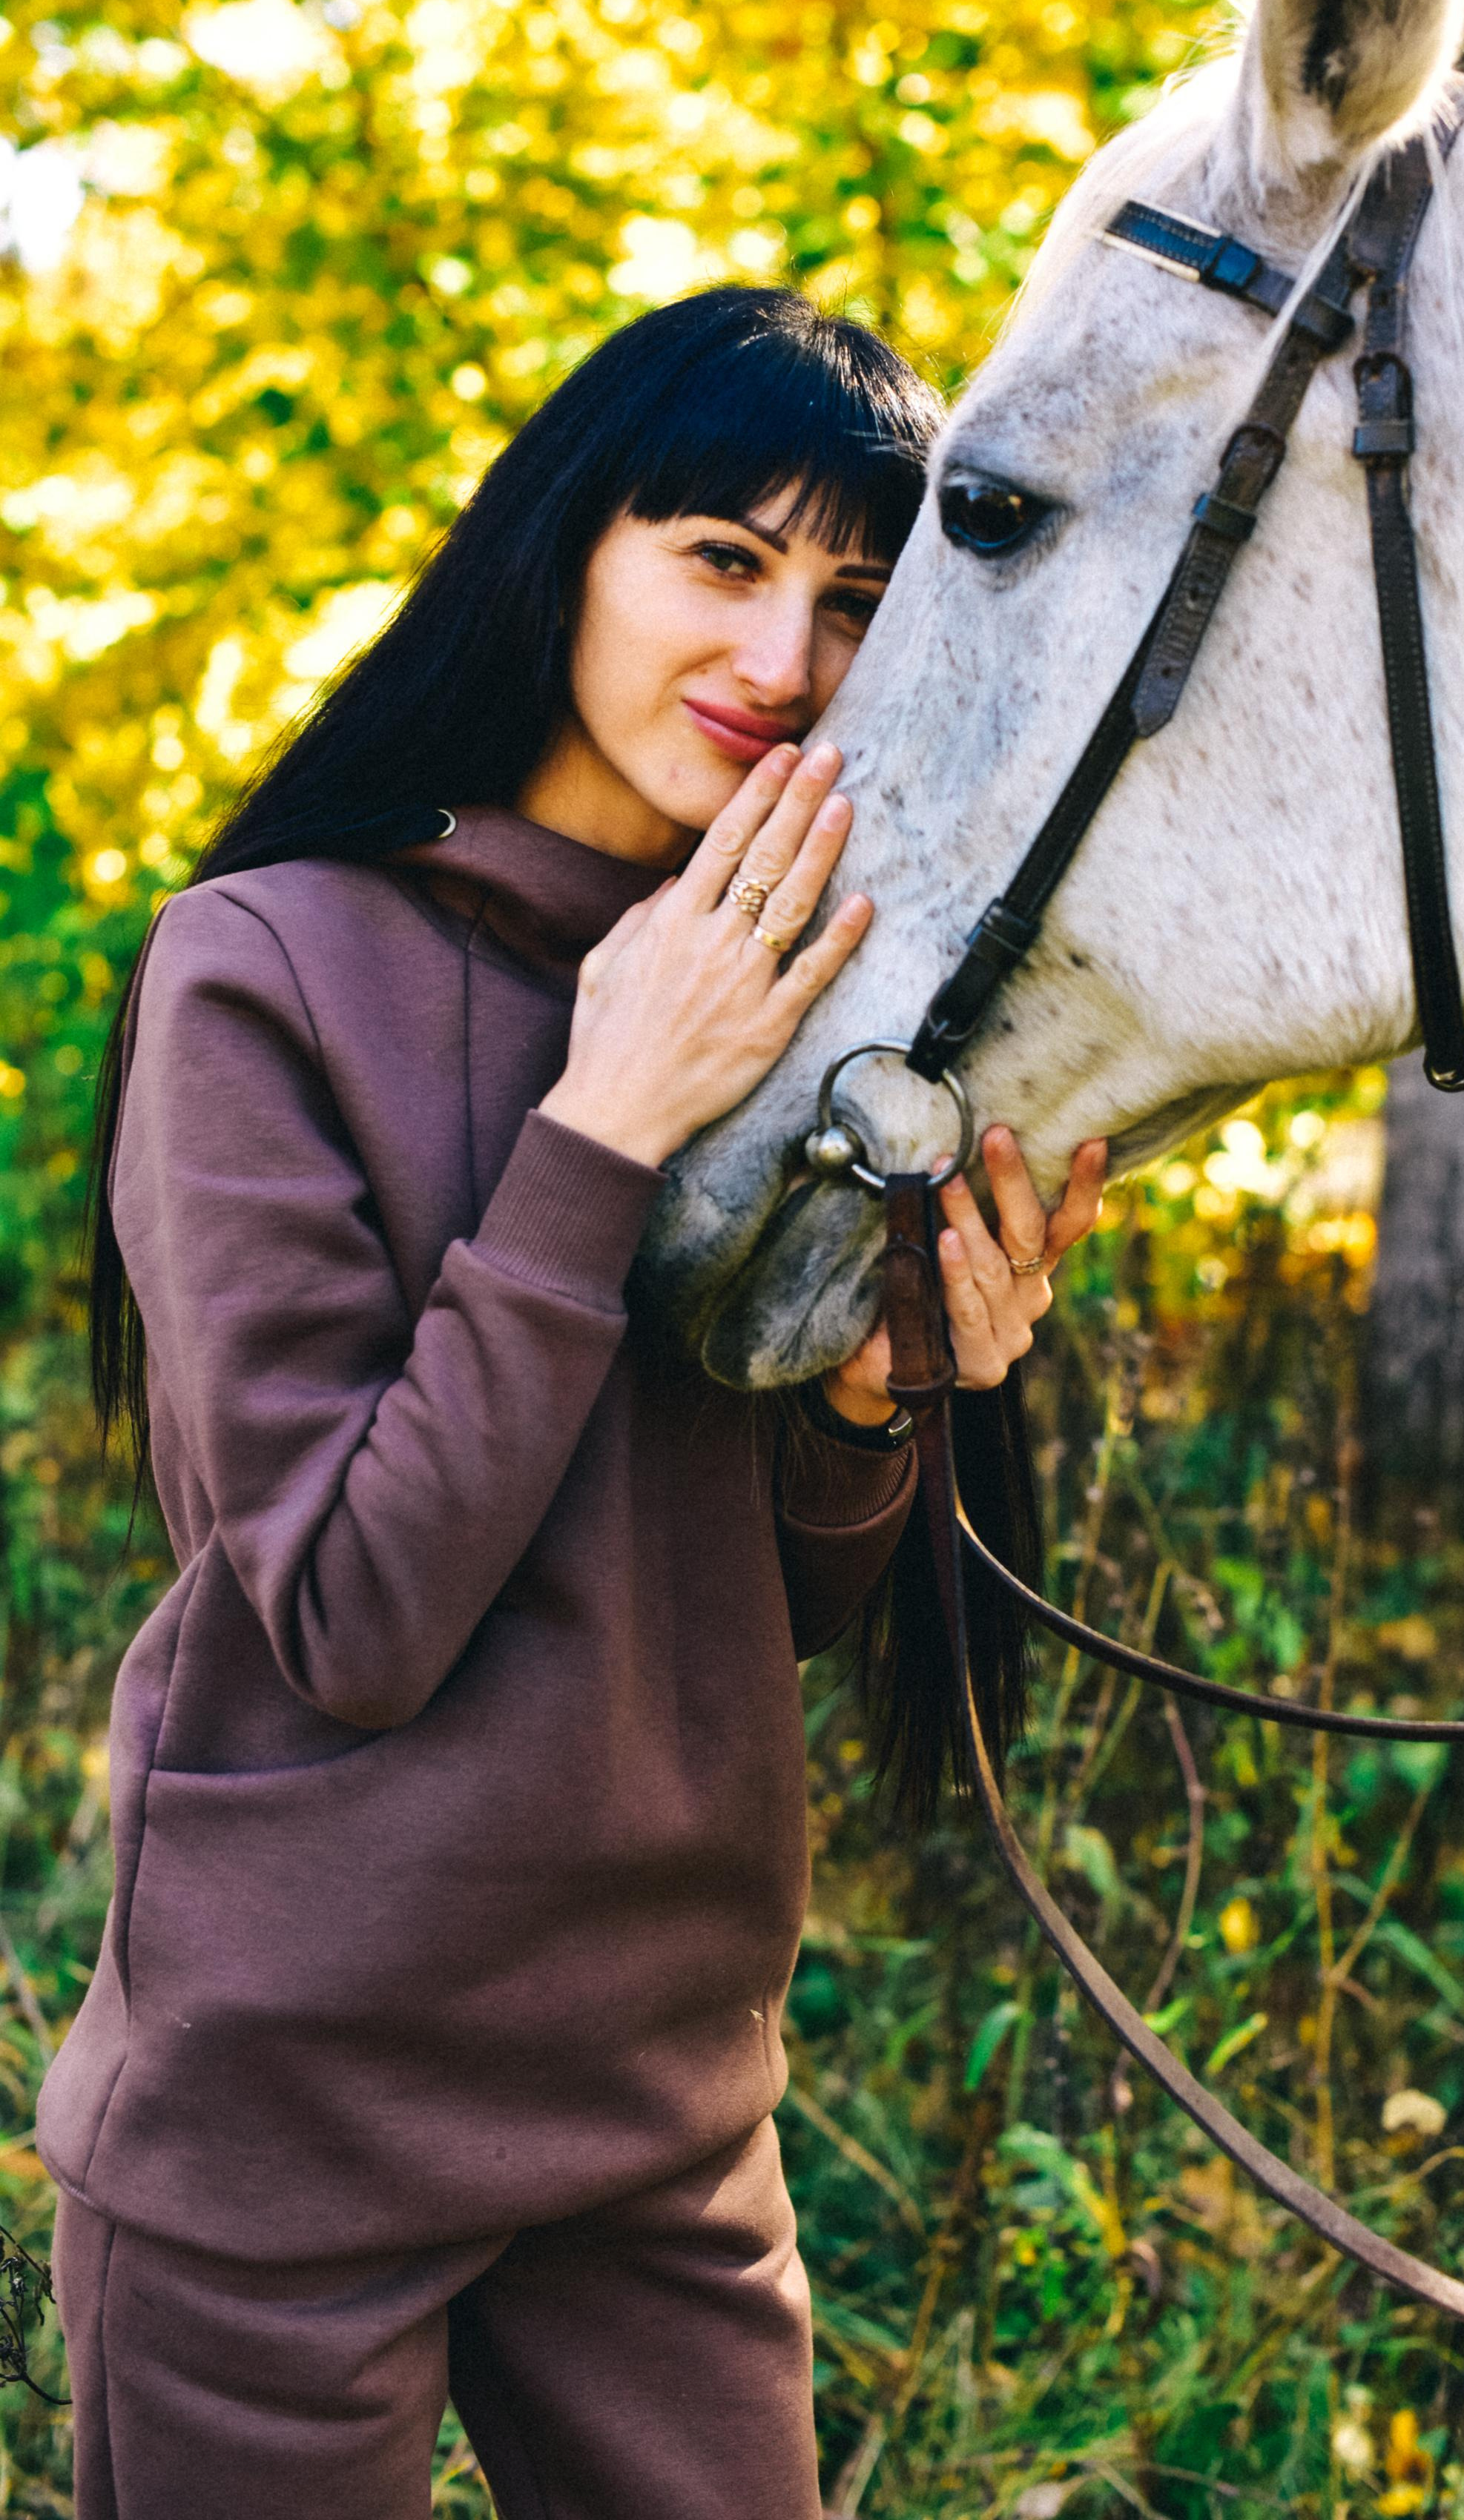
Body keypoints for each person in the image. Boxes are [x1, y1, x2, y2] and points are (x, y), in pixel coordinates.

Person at [39, 285, 1107, 2518]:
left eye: (850, 600)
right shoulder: (267, 963)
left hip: (658, 2114)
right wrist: (602, 1127)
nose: (786, 658)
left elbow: (742, 1606)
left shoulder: (809, 991)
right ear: (564, 553)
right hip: (288, 2120)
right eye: (718, 557)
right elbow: (349, 1613)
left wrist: (877, 1409)